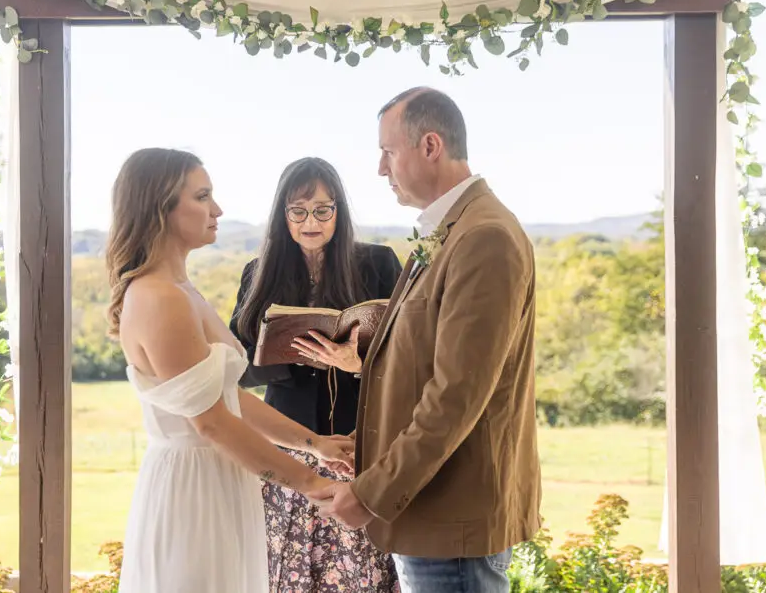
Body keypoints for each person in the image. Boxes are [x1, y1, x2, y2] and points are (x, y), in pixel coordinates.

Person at [308, 88, 543, 593]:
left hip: (450, 517)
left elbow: (456, 395)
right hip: (430, 510)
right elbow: (424, 363)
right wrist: (371, 438)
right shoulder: (451, 230)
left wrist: (370, 493)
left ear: (430, 146)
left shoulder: (484, 238)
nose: (380, 169)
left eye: (388, 152)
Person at [106, 148, 354, 593]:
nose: (217, 209)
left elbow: (228, 399)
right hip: (192, 489)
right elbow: (213, 424)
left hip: (219, 480)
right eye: (202, 196)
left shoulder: (182, 290)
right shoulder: (159, 297)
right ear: (159, 209)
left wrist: (315, 444)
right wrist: (312, 484)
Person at [230, 156, 402, 592]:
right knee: (286, 572)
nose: (311, 221)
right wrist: (290, 354)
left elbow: (411, 360)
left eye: (323, 210)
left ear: (338, 212)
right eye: (299, 211)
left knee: (361, 575)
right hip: (287, 448)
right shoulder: (257, 273)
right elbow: (238, 374)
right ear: (282, 216)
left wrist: (357, 365)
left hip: (356, 447)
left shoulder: (378, 264)